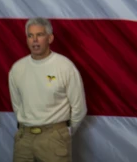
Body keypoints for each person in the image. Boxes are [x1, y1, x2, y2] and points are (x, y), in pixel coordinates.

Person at [8, 18, 87, 162]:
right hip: (24, 139)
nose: (35, 40)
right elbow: (17, 105)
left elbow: (79, 108)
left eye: (40, 35)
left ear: (50, 38)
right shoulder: (17, 69)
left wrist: (63, 132)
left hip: (54, 138)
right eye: (30, 36)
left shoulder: (65, 66)